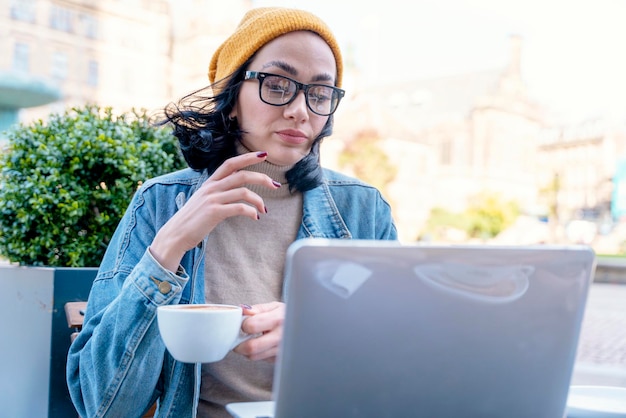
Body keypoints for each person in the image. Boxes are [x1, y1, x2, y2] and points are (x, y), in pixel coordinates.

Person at [67, 6, 397, 418]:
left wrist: (322, 331)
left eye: (320, 93)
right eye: (277, 85)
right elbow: (103, 406)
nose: (300, 110)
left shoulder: (363, 211)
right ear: (232, 96)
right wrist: (169, 246)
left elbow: (394, 372)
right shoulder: (160, 202)